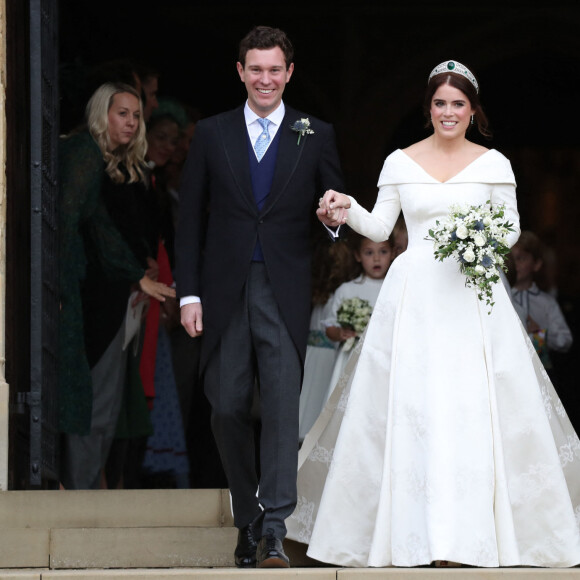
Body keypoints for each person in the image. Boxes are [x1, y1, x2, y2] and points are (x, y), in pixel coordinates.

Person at [287, 60, 580, 568]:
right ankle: (410, 536)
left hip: (471, 295)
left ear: (473, 110)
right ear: (429, 108)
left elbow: (509, 229)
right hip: (415, 295)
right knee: (412, 408)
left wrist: (480, 240)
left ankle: (469, 538)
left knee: (472, 408)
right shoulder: (400, 161)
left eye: (458, 104)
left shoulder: (494, 164)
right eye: (440, 103)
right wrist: (344, 209)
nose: (449, 112)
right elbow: (380, 228)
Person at [175, 25, 344, 568]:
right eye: (256, 69)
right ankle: (247, 514)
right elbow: (188, 220)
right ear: (241, 72)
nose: (266, 78)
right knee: (225, 405)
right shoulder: (211, 133)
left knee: (279, 408)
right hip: (223, 289)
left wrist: (331, 219)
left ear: (289, 73)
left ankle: (273, 528)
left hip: (284, 287)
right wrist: (188, 295)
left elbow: (334, 212)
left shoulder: (315, 133)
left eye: (275, 69)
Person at [58, 82, 175, 490]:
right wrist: (133, 273)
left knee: (104, 404)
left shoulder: (116, 164)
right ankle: (78, 495)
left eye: (135, 114)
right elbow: (78, 228)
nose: (129, 121)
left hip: (117, 296)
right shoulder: (83, 154)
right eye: (120, 112)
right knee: (93, 401)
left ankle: (84, 491)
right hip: (90, 298)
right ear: (100, 114)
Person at [298, 237, 358, 441]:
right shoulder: (335, 297)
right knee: (316, 400)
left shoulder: (320, 297)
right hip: (325, 356)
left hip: (314, 355)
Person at [323, 234, 392, 405]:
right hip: (351, 358)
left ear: (393, 253)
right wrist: (340, 333)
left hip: (384, 359)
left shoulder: (395, 290)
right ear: (358, 256)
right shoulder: (347, 290)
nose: (376, 258)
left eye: (383, 251)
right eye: (369, 253)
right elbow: (329, 326)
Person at [509, 230, 573, 369]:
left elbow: (565, 340)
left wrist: (540, 333)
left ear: (536, 264)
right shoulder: (503, 299)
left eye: (521, 258)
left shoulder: (546, 302)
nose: (515, 265)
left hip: (539, 370)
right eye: (511, 260)